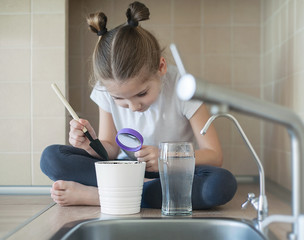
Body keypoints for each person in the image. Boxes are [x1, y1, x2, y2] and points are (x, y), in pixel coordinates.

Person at [40, 1, 237, 209]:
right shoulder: (104, 89)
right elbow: (111, 152)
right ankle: (144, 191)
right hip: (127, 168)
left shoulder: (183, 87)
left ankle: (104, 196)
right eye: (119, 99)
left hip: (170, 172)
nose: (133, 107)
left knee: (221, 184)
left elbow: (214, 155)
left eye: (142, 93)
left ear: (161, 67)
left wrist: (165, 158)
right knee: (51, 158)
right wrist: (90, 144)